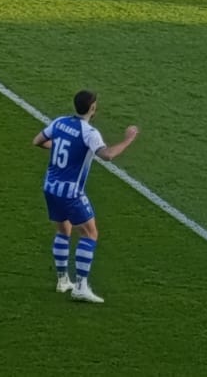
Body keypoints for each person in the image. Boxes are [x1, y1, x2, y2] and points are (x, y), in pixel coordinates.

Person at [33, 89, 139, 305]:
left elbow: (38, 141)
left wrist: (64, 148)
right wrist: (129, 139)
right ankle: (81, 286)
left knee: (63, 231)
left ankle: (63, 280)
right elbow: (107, 155)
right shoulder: (89, 132)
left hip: (50, 187)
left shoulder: (60, 122)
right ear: (92, 108)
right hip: (71, 193)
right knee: (90, 234)